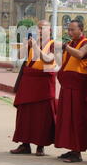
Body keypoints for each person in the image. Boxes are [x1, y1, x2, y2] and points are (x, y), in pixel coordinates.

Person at [10, 20, 56, 156]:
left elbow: (48, 60)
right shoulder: (32, 43)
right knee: (25, 114)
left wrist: (36, 47)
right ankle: (25, 144)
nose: (40, 31)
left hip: (43, 84)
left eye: (43, 28)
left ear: (50, 30)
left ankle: (40, 146)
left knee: (43, 116)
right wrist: (25, 45)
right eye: (38, 28)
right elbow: (19, 56)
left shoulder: (54, 45)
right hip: (29, 81)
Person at [55, 20, 87, 163]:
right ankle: (72, 149)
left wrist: (65, 47)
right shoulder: (71, 43)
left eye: (72, 30)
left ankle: (77, 152)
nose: (69, 32)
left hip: (78, 88)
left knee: (77, 118)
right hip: (68, 85)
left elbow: (79, 55)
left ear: (81, 30)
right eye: (68, 30)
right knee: (67, 118)